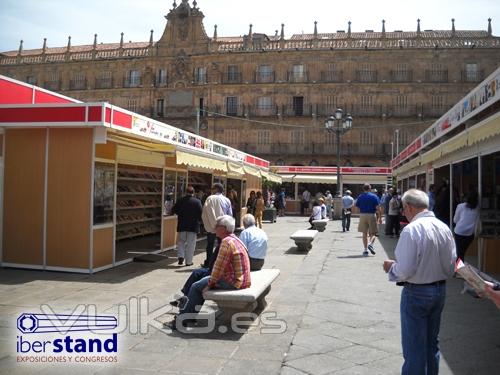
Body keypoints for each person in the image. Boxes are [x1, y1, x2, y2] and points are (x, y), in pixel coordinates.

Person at [383, 189, 456, 375]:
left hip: (417, 292)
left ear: (408, 207)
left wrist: (391, 268)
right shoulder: (444, 227)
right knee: (432, 344)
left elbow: (405, 270)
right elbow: (451, 266)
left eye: (404, 208)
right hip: (439, 290)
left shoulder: (411, 230)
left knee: (414, 347)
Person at [167, 215, 251, 330]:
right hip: (242, 279)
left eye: (217, 226)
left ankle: (182, 320)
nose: (215, 228)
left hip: (233, 281)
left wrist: (210, 284)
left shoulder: (226, 242)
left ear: (223, 228)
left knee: (196, 287)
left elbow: (218, 268)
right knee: (199, 280)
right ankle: (188, 315)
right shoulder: (235, 239)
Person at [201, 183, 232, 268]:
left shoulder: (210, 199)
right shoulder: (227, 200)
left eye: (212, 188)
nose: (211, 190)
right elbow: (230, 215)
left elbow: (206, 213)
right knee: (221, 245)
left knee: (210, 245)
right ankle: (219, 262)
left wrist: (210, 225)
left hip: (212, 227)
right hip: (223, 227)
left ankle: (209, 262)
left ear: (216, 189)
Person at [172, 186, 202, 266]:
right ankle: (188, 262)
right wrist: (199, 221)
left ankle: (181, 257)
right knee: (191, 244)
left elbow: (174, 210)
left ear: (186, 192)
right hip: (193, 226)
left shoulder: (180, 200)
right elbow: (200, 213)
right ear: (193, 193)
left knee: (181, 242)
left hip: (182, 224)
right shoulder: (197, 202)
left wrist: (180, 214)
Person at [453, 191, 479, 261]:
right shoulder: (478, 208)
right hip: (470, 234)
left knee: (459, 252)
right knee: (461, 252)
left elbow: (455, 220)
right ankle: (459, 268)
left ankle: (459, 269)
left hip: (459, 232)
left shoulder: (460, 206)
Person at [355, 184, 380, 256]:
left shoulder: (360, 196)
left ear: (363, 189)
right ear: (370, 189)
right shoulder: (374, 196)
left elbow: (357, 207)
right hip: (372, 214)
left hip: (363, 215)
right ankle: (370, 244)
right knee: (374, 233)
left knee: (364, 233)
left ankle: (365, 250)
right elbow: (378, 208)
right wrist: (380, 217)